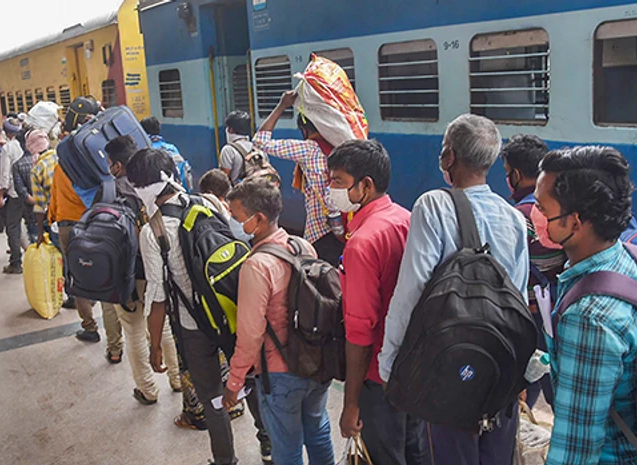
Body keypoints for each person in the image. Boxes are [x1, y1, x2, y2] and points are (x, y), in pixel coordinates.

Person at [379, 114, 529, 465]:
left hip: (449, 368)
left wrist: (390, 362)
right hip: (498, 371)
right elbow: (518, 298)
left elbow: (412, 289)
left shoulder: (433, 205)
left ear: (449, 157)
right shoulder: (514, 218)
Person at [535, 146, 637, 465]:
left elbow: (575, 450)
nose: (535, 215)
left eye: (542, 209)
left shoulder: (590, 318)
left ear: (575, 222)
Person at [134, 148, 245, 463]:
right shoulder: (208, 203)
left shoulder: (152, 231)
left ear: (142, 188)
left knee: (211, 398)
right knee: (249, 380)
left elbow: (157, 297)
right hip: (231, 312)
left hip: (193, 326)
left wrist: (155, 345)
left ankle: (225, 460)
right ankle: (268, 446)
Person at [328, 140, 428, 464]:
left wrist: (351, 404)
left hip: (377, 375)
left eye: (338, 182)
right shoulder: (406, 218)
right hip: (414, 365)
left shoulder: (361, 243)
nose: (331, 190)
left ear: (366, 185)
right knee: (417, 452)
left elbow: (360, 332)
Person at [222, 178, 330, 465]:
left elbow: (251, 335)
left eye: (237, 217)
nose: (233, 223)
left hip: (280, 372)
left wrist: (234, 382)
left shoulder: (256, 265)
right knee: (318, 431)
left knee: (287, 448)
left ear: (258, 219)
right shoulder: (302, 245)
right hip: (316, 361)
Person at [95, 136, 182, 398]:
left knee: (132, 330)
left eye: (110, 163)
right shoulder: (155, 181)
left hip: (126, 274)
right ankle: (177, 378)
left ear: (117, 165)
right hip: (157, 268)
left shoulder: (109, 191)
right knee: (163, 324)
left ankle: (147, 389)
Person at [500, 134, 564, 409]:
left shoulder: (519, 217)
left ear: (515, 175)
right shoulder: (560, 208)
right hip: (558, 307)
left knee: (530, 376)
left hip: (533, 316)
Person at [253, 90, 343, 266]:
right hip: (343, 227)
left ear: (305, 129)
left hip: (320, 231)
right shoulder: (340, 146)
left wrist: (282, 106)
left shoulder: (309, 149)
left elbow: (260, 142)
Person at [48, 157, 99, 341]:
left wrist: (51, 218)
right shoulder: (91, 165)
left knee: (77, 275)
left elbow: (54, 196)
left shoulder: (60, 168)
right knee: (100, 267)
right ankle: (95, 296)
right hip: (92, 222)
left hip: (68, 226)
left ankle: (90, 327)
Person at [0, 118, 25, 274]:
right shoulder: (27, 144)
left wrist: (0, 196)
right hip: (30, 192)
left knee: (13, 227)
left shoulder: (8, 148)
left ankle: (15, 262)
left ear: (6, 132)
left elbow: (4, 175)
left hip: (14, 193)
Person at [220, 111, 254, 183]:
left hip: (238, 189)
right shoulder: (257, 148)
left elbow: (223, 179)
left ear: (231, 129)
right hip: (259, 188)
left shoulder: (228, 150)